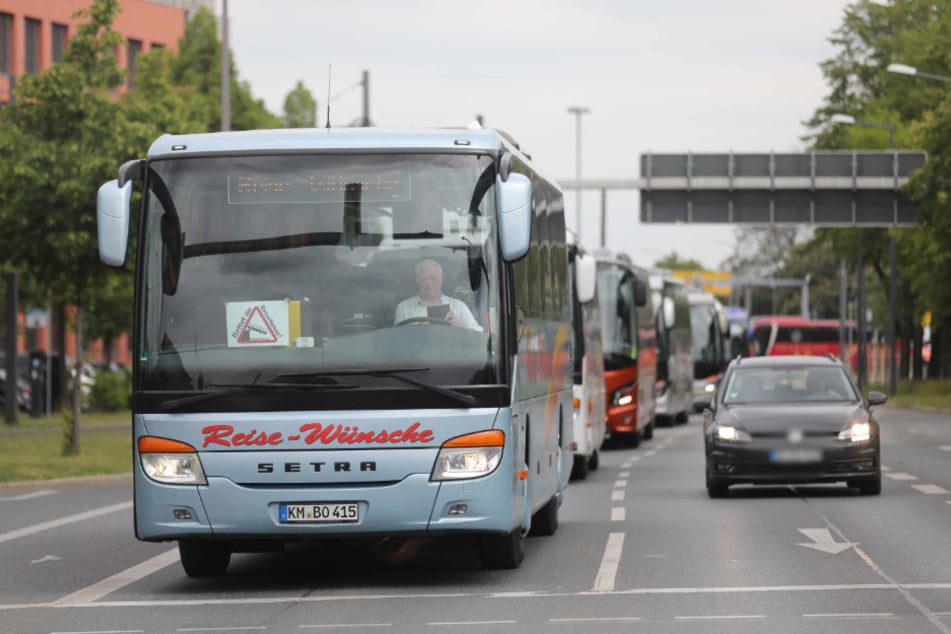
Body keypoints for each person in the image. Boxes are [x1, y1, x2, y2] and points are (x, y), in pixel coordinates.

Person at [394, 259, 482, 331]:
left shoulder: (458, 306)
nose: (428, 283)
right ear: (417, 281)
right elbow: (398, 341)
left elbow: (478, 335)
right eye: (424, 279)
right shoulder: (404, 308)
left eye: (432, 278)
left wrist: (459, 327)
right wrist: (417, 331)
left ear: (441, 280)